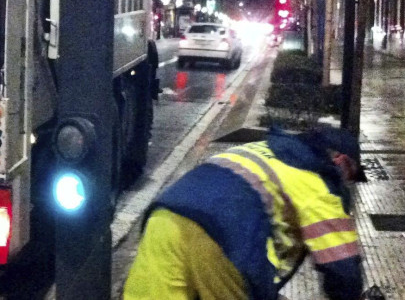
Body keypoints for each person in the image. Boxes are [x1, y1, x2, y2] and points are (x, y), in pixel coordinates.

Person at [124, 126, 364, 300]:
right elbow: (341, 268)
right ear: (341, 162)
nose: (345, 184)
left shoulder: (260, 149)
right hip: (223, 237)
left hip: (166, 217)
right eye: (349, 177)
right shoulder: (319, 186)